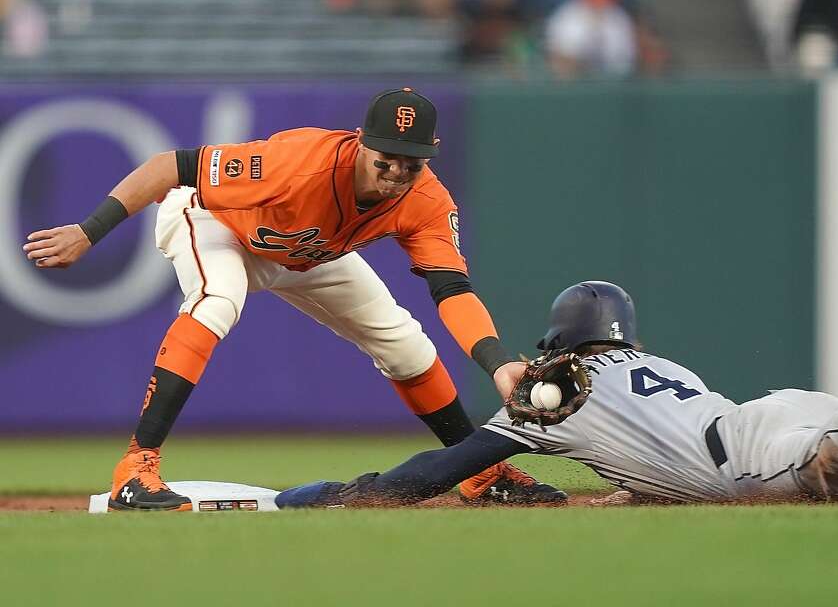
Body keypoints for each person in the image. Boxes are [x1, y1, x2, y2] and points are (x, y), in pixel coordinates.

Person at [23, 88, 565, 510]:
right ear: (360, 142)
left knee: (404, 344)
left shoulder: (424, 199)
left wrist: (495, 365)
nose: (398, 171)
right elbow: (169, 167)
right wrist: (89, 231)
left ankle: (478, 472)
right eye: (387, 157)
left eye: (412, 160)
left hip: (309, 251)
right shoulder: (298, 163)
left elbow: (451, 288)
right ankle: (135, 471)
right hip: (218, 224)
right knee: (217, 299)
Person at [275, 264, 838, 509]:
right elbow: (640, 464)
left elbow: (441, 471)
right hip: (765, 410)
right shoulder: (653, 364)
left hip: (756, 455)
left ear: (557, 342)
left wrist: (346, 494)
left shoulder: (549, 402)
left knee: (805, 472)